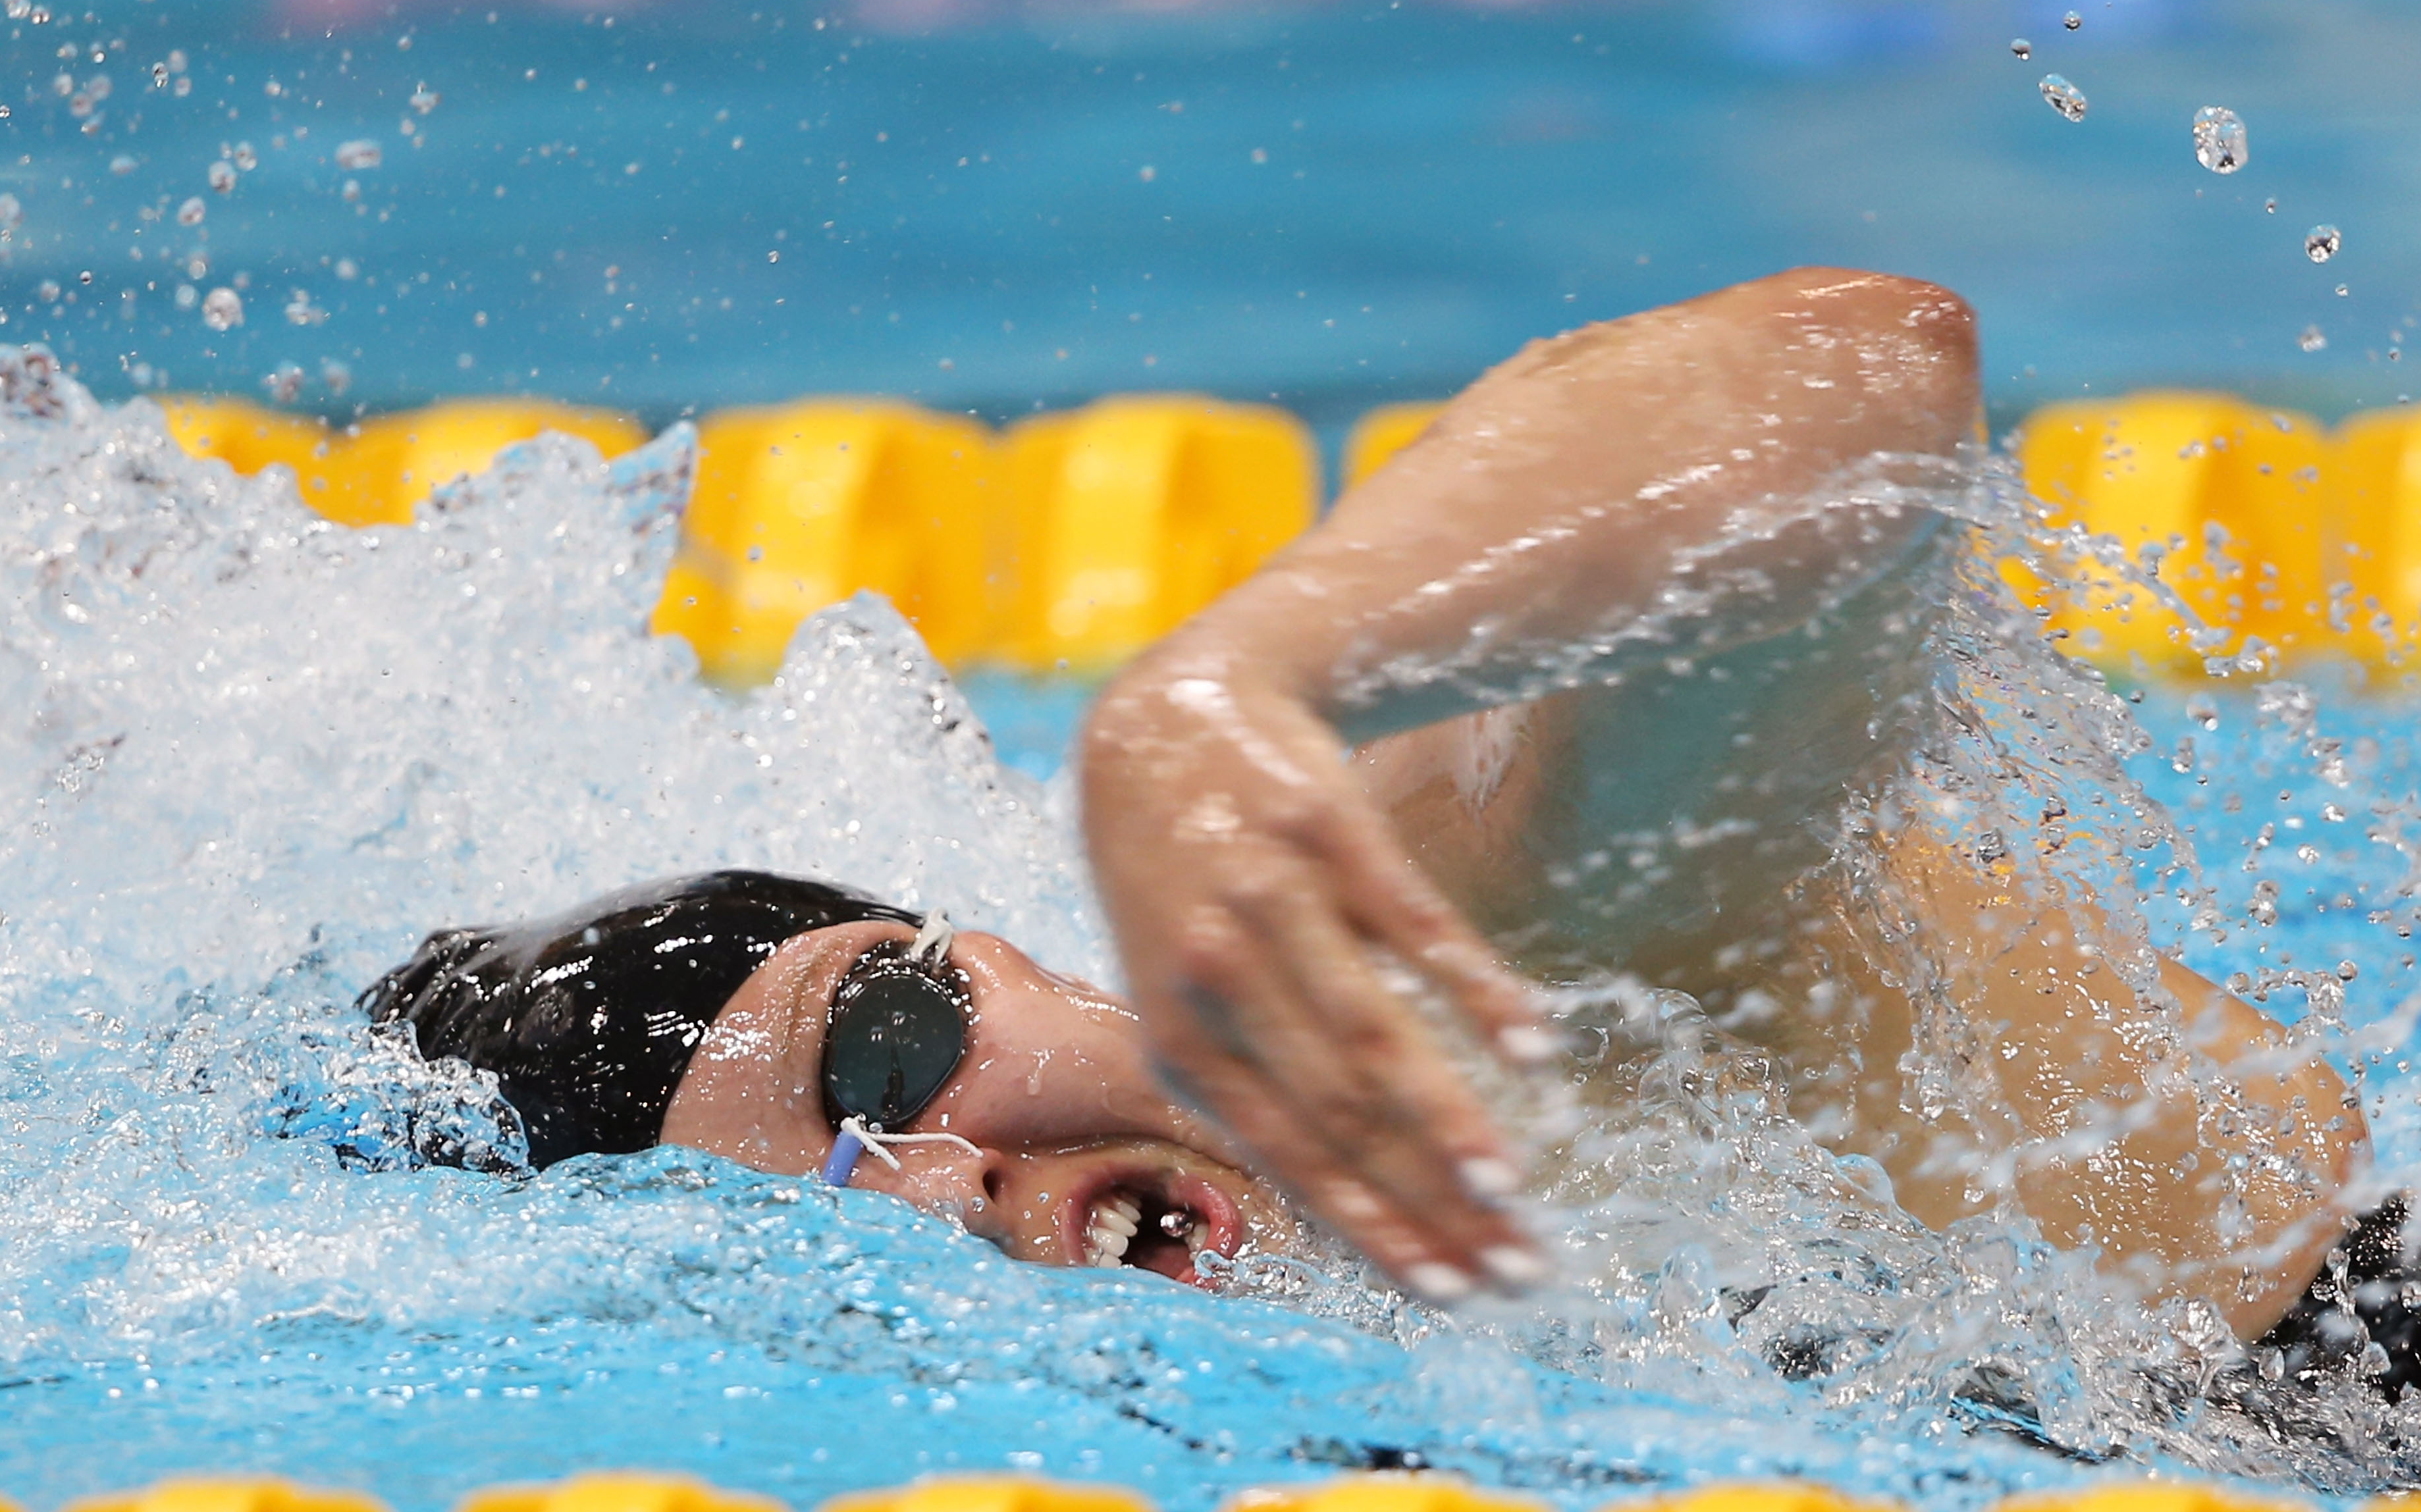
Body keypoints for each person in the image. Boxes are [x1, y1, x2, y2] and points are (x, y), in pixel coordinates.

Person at [365, 269, 2370, 1352]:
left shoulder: (1470, 934)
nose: (934, 1182)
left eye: (889, 1042)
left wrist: (1227, 688)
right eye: (811, 1216)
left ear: (1002, 945)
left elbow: (1857, 382)